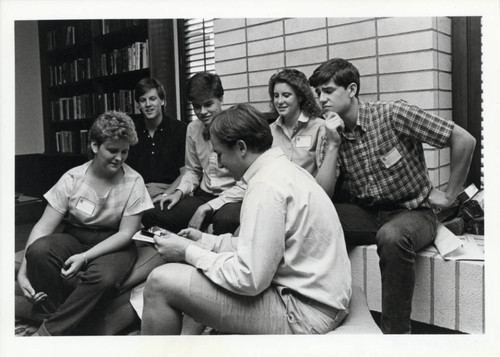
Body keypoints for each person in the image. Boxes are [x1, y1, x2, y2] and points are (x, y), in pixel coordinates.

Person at [141, 103, 352, 335]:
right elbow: (264, 248)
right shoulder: (283, 171)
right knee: (198, 273)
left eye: (220, 154)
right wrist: (203, 242)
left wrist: (187, 253)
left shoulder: (265, 187)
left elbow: (249, 278)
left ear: (241, 147)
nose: (219, 164)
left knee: (160, 282)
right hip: (320, 300)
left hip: (304, 313)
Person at [308, 58, 476, 334]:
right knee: (312, 215)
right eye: (318, 93)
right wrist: (334, 144)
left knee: (392, 236)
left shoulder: (392, 114)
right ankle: (318, 311)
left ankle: (397, 337)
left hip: (414, 212)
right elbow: (321, 196)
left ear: (351, 89)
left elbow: (464, 140)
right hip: (369, 212)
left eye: (328, 91)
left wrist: (449, 195)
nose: (321, 99)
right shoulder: (330, 132)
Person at [16, 111, 154, 336]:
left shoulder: (134, 181)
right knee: (39, 251)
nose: (119, 158)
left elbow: (126, 233)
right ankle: (61, 318)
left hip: (115, 242)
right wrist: (24, 272)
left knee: (106, 278)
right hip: (75, 236)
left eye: (124, 151)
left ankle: (49, 331)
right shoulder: (72, 178)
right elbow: (43, 227)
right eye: (112, 150)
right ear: (94, 145)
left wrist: (84, 258)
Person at [142, 72, 244, 235]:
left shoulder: (238, 127)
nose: (202, 111)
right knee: (152, 214)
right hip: (204, 194)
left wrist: (207, 208)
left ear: (221, 99)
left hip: (231, 196)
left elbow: (246, 181)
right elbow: (193, 171)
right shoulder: (193, 128)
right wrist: (178, 193)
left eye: (208, 104)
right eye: (197, 106)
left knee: (225, 221)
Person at [268, 68, 338, 189]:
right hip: (276, 196)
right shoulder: (269, 131)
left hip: (308, 197)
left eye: (286, 95)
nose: (279, 101)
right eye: (276, 96)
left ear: (300, 97)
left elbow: (325, 176)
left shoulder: (320, 127)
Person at [127, 77, 187, 199]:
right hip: (138, 193)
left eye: (153, 99)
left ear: (163, 101)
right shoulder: (131, 131)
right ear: (138, 105)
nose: (148, 104)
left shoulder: (180, 129)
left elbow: (185, 173)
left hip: (170, 192)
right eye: (143, 100)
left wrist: (166, 194)